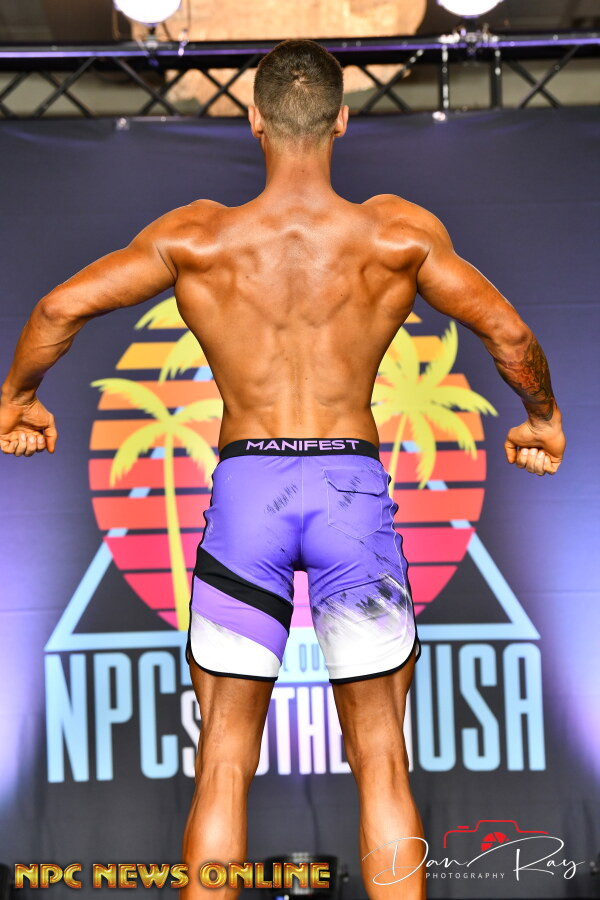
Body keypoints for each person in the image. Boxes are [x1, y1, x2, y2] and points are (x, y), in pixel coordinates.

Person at [0, 38, 565, 900]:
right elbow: (511, 335)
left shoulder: (197, 237)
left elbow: (57, 308)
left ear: (253, 118)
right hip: (348, 495)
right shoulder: (396, 235)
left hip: (247, 496)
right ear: (341, 120)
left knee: (224, 759)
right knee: (382, 758)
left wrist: (17, 400)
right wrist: (542, 417)